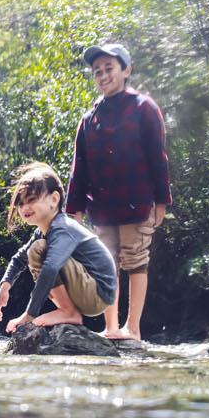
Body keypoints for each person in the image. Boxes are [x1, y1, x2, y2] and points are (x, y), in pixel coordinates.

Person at [64, 42, 171, 341]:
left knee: (136, 259)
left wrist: (162, 200)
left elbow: (157, 157)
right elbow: (79, 167)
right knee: (105, 263)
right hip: (102, 207)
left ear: (126, 70)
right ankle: (111, 327)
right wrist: (74, 209)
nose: (102, 75)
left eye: (109, 68)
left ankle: (132, 328)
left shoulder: (144, 107)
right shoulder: (89, 118)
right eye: (97, 71)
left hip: (137, 202)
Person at [0, 162, 117, 334]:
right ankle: (68, 310)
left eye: (31, 200)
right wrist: (5, 286)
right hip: (87, 289)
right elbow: (18, 258)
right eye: (20, 204)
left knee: (38, 250)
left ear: (54, 199)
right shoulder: (42, 231)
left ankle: (68, 312)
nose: (24, 208)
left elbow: (51, 268)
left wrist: (29, 314)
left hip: (97, 293)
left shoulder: (62, 228)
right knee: (36, 249)